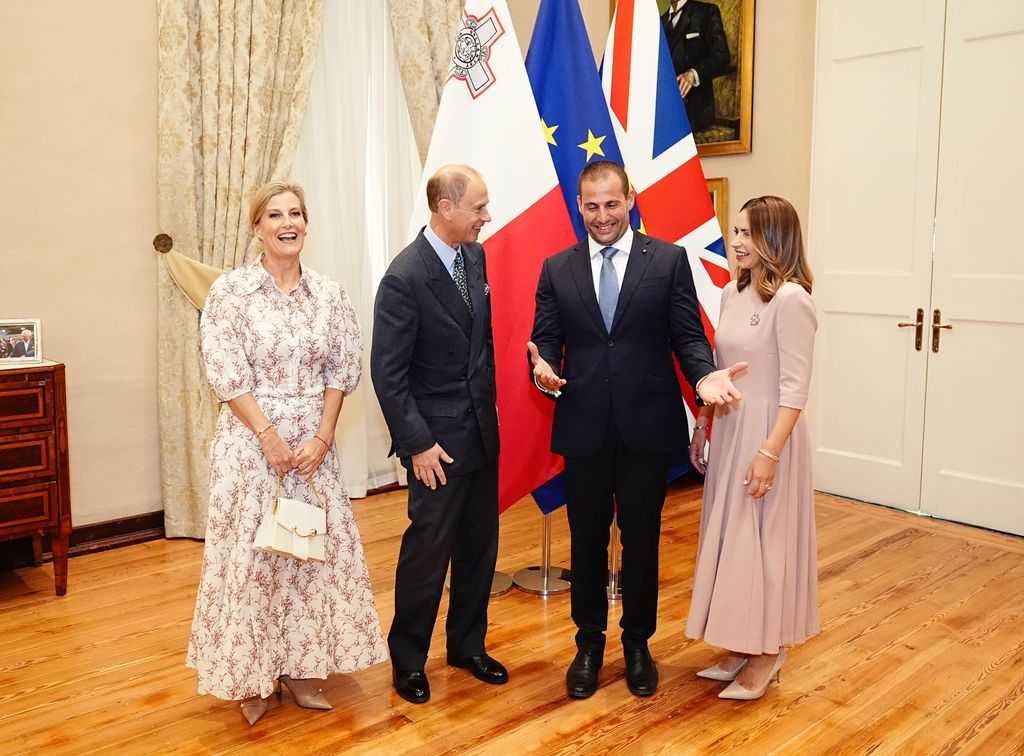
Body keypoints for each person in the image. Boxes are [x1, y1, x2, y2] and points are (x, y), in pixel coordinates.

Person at [528, 160, 746, 699]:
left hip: (647, 429)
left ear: (630, 201)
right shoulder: (557, 268)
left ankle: (637, 643)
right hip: (583, 430)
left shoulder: (667, 261)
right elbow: (544, 340)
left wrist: (702, 378)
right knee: (586, 542)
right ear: (580, 207)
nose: (602, 215)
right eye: (591, 205)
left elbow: (687, 337)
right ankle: (589, 644)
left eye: (612, 203)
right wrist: (543, 372)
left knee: (642, 541)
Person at [186, 181, 386, 726]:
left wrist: (322, 438)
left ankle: (302, 668)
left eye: (296, 213)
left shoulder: (329, 294)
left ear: (306, 223)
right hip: (252, 449)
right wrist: (269, 437)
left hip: (313, 452)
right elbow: (225, 371)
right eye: (275, 215)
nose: (287, 222)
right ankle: (251, 675)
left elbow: (343, 369)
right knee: (253, 561)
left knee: (307, 557)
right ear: (257, 228)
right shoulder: (230, 293)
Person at [371, 164, 506, 705]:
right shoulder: (404, 277)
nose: (486, 217)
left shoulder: (474, 256)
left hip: (481, 433)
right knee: (428, 554)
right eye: (478, 207)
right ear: (445, 208)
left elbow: (482, 345)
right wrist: (418, 444)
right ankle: (408, 660)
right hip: (435, 446)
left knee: (479, 549)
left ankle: (466, 645)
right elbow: (389, 374)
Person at [685, 195, 818, 700]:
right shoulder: (729, 294)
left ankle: (769, 654)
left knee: (766, 542)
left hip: (769, 436)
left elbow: (795, 389)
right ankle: (744, 643)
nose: (736, 242)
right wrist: (703, 424)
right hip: (731, 428)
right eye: (734, 232)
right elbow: (719, 371)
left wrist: (770, 453)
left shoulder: (792, 300)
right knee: (734, 540)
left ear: (774, 238)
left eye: (745, 233)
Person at [661, 0, 731, 133]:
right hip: (664, 111)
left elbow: (721, 56)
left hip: (694, 110)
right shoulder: (659, 22)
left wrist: (694, 73)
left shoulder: (706, 12)